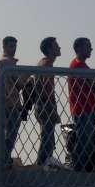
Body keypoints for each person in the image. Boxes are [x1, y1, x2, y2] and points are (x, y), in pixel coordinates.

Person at [67, 37, 95, 171]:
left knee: (89, 140)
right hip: (84, 108)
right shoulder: (79, 66)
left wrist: (93, 83)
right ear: (79, 48)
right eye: (88, 46)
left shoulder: (79, 65)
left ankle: (82, 167)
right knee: (84, 141)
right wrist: (93, 82)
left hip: (86, 108)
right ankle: (79, 169)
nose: (91, 49)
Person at [32, 37, 62, 166]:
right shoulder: (47, 64)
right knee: (48, 139)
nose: (59, 47)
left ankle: (43, 164)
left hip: (42, 104)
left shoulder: (43, 63)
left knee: (48, 138)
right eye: (56, 45)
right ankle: (41, 166)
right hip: (45, 105)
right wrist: (52, 109)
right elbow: (46, 89)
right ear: (50, 49)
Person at [0, 36, 24, 162]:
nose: (14, 49)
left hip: (8, 101)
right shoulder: (7, 62)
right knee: (10, 134)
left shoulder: (5, 62)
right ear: (5, 47)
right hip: (10, 102)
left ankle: (3, 158)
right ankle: (4, 159)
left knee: (8, 134)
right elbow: (19, 83)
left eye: (15, 46)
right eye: (11, 46)